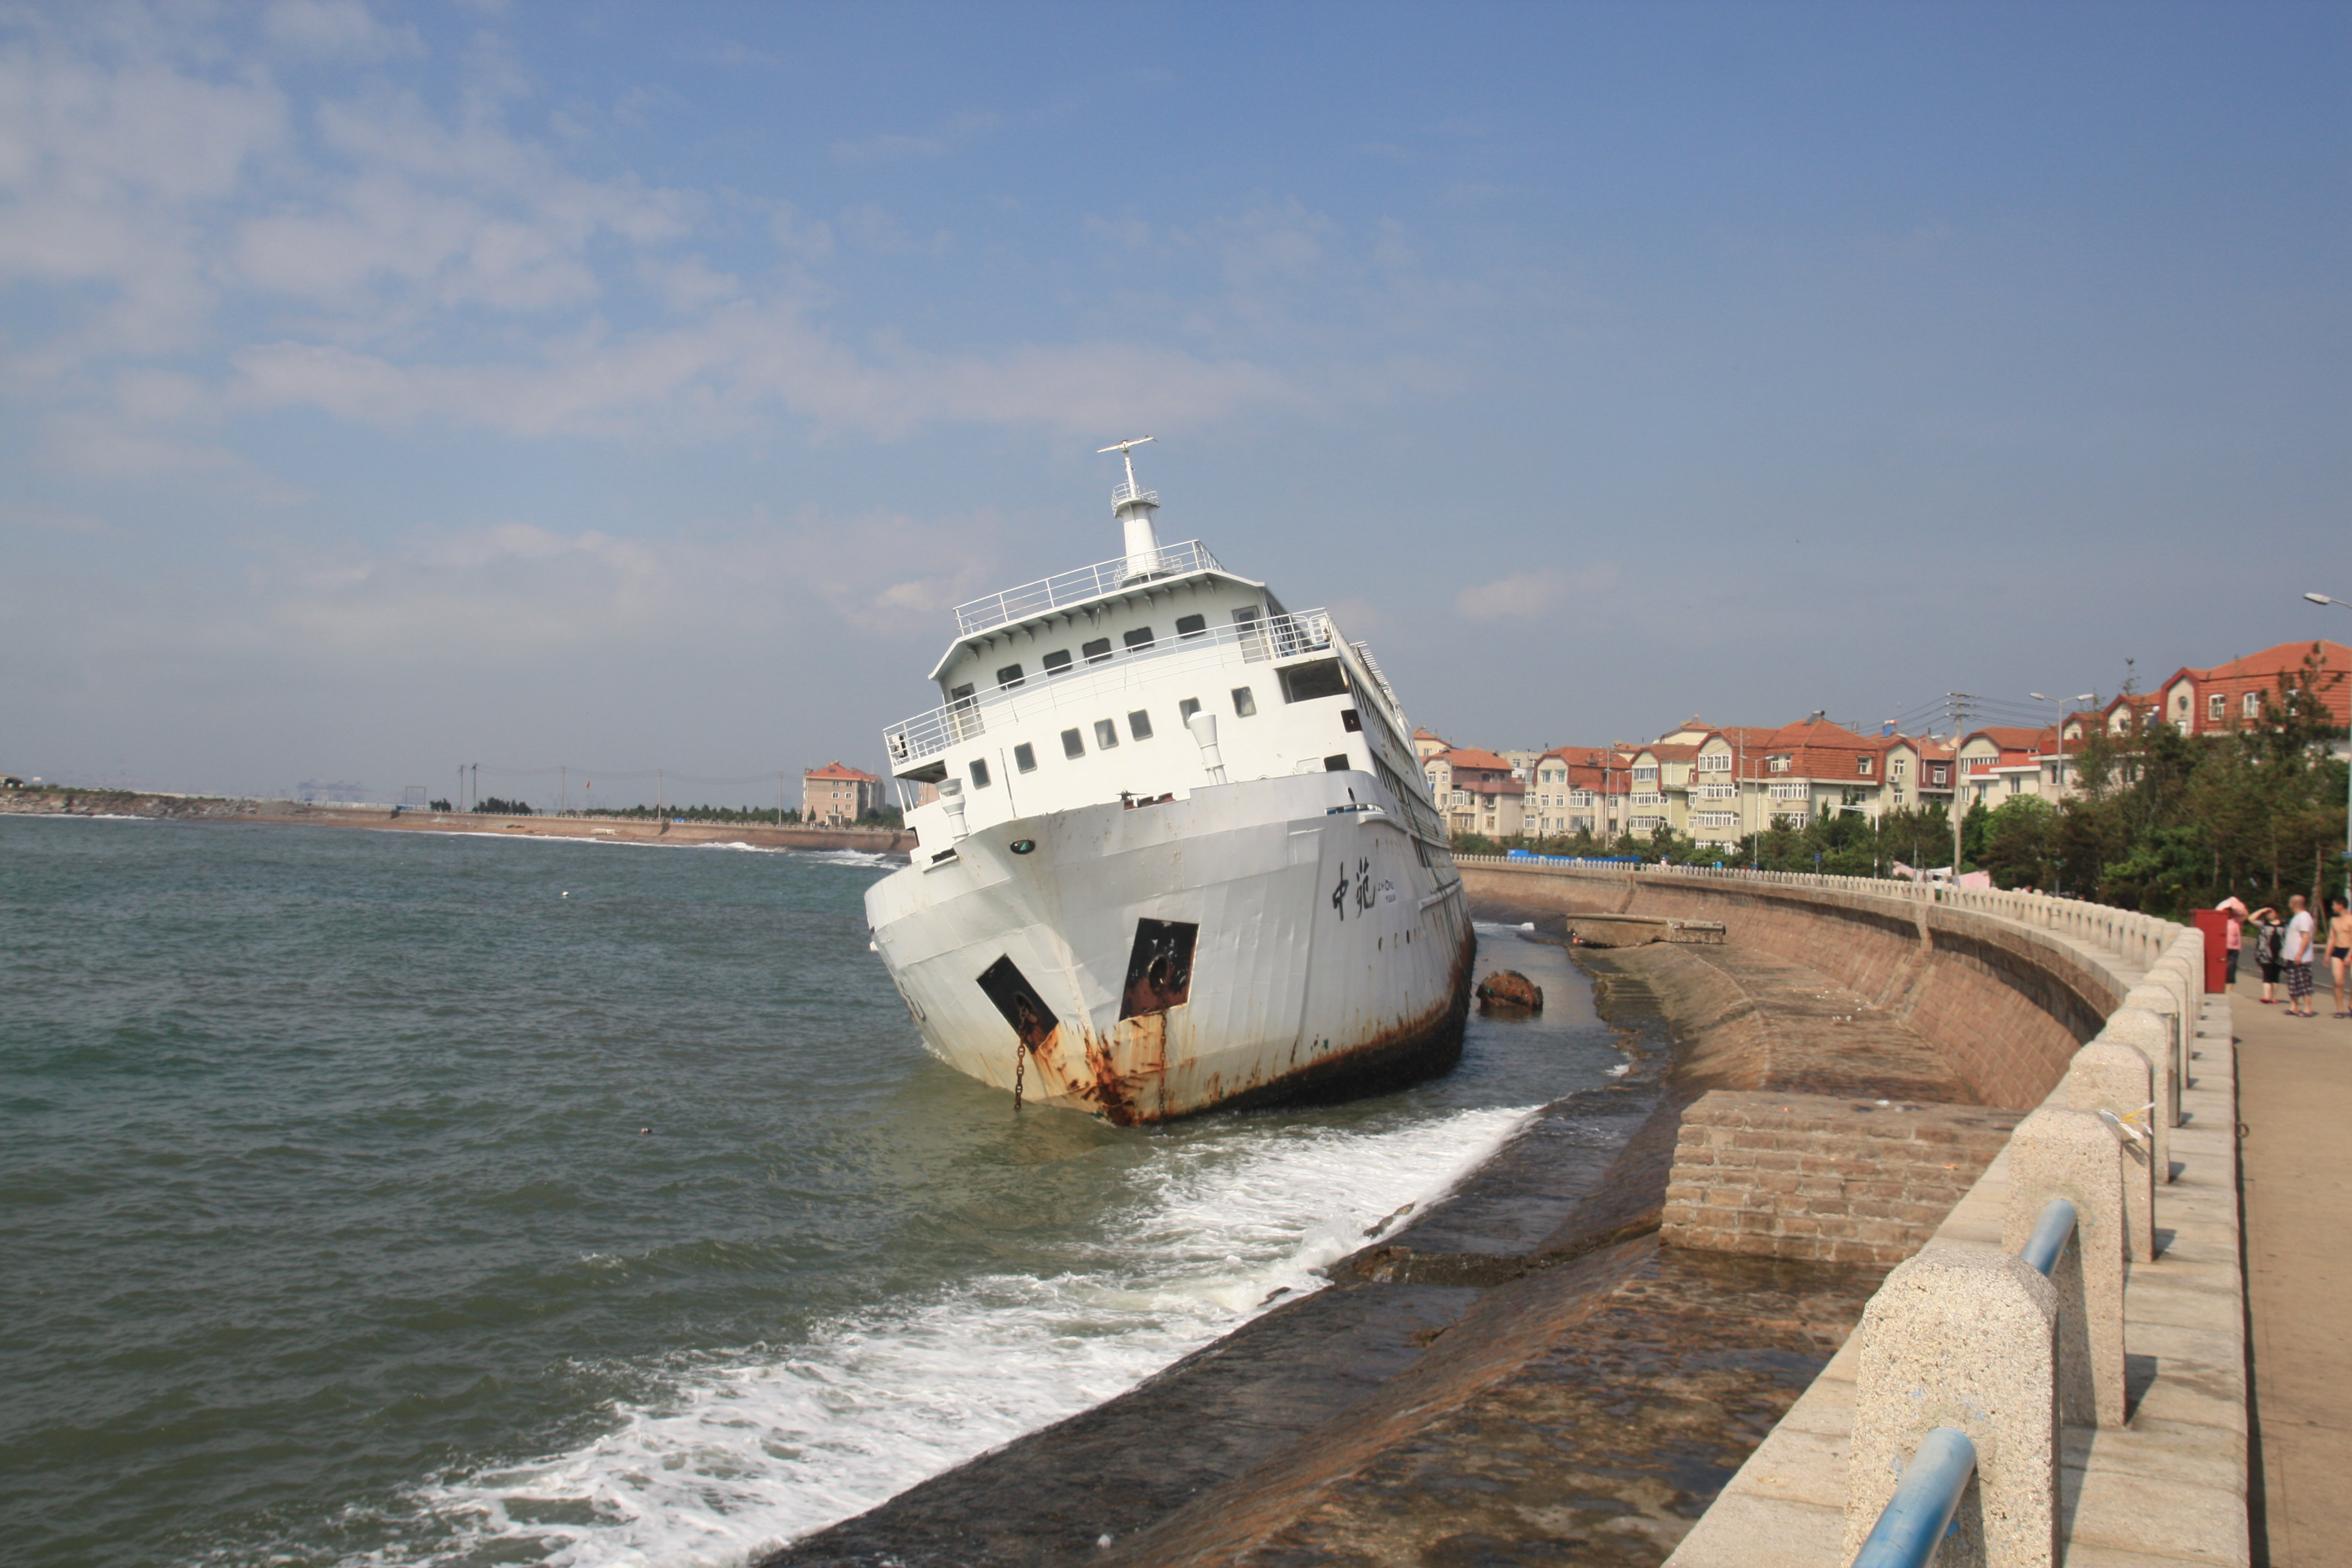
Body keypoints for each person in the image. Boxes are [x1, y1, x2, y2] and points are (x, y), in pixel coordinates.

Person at [2282, 893, 2317, 1018]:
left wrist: (2300, 954)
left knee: (2304, 982)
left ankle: (2308, 1008)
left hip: (2301, 958)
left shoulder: (2304, 917)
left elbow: (2306, 937)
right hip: (2292, 956)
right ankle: (2294, 1007)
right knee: (2293, 983)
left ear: (2293, 904)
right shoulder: (2297, 917)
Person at [2251, 906, 2284, 1004]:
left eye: (2271, 912)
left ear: (2277, 913)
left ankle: (2274, 997)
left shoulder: (2284, 925)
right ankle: (2267, 997)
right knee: (2267, 974)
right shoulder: (2263, 924)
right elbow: (2251, 918)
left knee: (2276, 976)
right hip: (2265, 954)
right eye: (2268, 913)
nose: (2269, 915)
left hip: (2280, 954)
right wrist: (2262, 910)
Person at [2329, 893, 2352, 1019]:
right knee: (2338, 981)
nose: (2333, 907)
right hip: (2338, 951)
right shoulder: (2334, 920)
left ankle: (2351, 1004)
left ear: (2340, 906)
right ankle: (2340, 1010)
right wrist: (2328, 955)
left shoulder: (2351, 919)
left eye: (2334, 905)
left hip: (2350, 950)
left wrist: (2349, 956)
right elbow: (2332, 938)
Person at [2218, 895, 2248, 987]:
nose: (2227, 913)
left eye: (2229, 911)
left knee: (2231, 970)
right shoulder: (2219, 920)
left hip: (2234, 948)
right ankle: (2220, 986)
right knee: (2220, 969)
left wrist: (2235, 904)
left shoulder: (2237, 920)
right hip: (2221, 947)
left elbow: (2246, 915)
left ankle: (2229, 990)